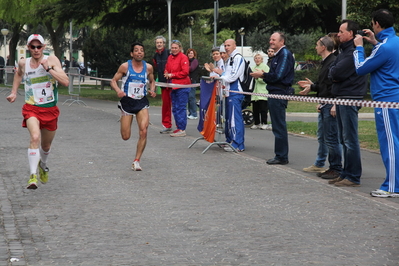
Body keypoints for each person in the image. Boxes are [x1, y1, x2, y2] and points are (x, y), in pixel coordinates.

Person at [6, 34, 69, 189]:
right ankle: (32, 176)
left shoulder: (52, 60)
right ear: (28, 48)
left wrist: (48, 68)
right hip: (31, 108)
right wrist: (14, 92)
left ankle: (43, 165)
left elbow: (65, 82)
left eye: (38, 46)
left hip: (50, 109)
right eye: (32, 47)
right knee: (35, 137)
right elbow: (18, 74)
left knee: (46, 146)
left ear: (43, 47)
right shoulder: (23, 63)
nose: (36, 50)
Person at [353, 9, 399, 197]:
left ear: (377, 24)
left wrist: (358, 47)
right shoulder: (394, 42)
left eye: (372, 24)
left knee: (390, 143)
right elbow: (386, 56)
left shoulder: (384, 47)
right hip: (395, 99)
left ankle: (392, 186)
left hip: (386, 101)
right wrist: (374, 41)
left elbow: (360, 69)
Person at [328, 19, 368, 187]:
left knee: (350, 139)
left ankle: (353, 176)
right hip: (342, 96)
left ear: (351, 33)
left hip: (350, 97)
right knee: (344, 138)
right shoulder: (343, 52)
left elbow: (336, 72)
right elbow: (333, 71)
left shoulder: (353, 52)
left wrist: (334, 73)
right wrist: (334, 72)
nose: (338, 34)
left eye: (341, 31)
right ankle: (346, 173)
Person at [298, 36, 342, 177]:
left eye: (317, 45)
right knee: (323, 136)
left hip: (330, 104)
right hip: (325, 103)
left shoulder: (333, 62)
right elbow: (324, 84)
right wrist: (311, 87)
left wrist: (335, 103)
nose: (315, 47)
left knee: (331, 137)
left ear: (323, 47)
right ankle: (325, 165)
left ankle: (336, 168)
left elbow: (336, 85)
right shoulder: (326, 63)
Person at [110, 42, 156, 171]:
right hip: (127, 103)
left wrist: (152, 90)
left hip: (142, 102)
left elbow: (152, 81)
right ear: (132, 53)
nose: (139, 52)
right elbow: (113, 81)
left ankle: (136, 161)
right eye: (136, 50)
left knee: (144, 130)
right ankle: (124, 118)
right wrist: (118, 90)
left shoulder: (149, 68)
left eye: (141, 50)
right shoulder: (125, 67)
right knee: (126, 136)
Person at [251, 32, 295, 164]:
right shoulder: (277, 55)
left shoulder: (284, 54)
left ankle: (282, 156)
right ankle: (280, 154)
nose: (271, 41)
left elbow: (278, 76)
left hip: (279, 92)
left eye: (274, 40)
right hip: (274, 92)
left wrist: (263, 75)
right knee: (276, 125)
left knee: (279, 125)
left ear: (282, 42)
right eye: (270, 39)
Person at [219, 39, 246, 152]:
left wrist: (220, 77)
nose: (226, 47)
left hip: (236, 92)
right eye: (225, 45)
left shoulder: (238, 58)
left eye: (228, 45)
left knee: (235, 119)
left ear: (235, 46)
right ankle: (231, 140)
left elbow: (233, 77)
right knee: (230, 119)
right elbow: (227, 75)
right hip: (229, 92)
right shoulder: (230, 59)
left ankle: (238, 144)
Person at [164, 40, 191, 137]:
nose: (174, 50)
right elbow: (167, 67)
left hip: (182, 86)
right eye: (172, 48)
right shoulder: (170, 57)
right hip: (172, 86)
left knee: (180, 107)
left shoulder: (184, 57)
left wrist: (172, 75)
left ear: (180, 48)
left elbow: (185, 72)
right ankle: (178, 127)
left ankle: (182, 129)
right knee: (175, 108)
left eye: (176, 48)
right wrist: (166, 72)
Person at [153, 36, 172, 134]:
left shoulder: (169, 53)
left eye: (161, 42)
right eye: (157, 43)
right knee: (165, 105)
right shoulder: (155, 55)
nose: (159, 44)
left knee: (176, 106)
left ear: (164, 44)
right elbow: (156, 67)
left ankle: (181, 127)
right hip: (163, 83)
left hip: (172, 83)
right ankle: (167, 125)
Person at [250, 54, 270, 130]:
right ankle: (257, 123)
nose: (257, 59)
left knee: (263, 109)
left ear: (262, 59)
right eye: (256, 58)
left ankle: (264, 123)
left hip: (263, 91)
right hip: (255, 92)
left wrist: (259, 77)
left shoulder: (265, 67)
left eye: (259, 58)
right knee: (255, 109)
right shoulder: (252, 68)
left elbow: (267, 79)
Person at [186, 48, 199, 119]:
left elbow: (191, 69)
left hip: (192, 81)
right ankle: (190, 112)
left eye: (191, 53)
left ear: (194, 55)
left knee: (191, 97)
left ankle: (194, 114)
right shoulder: (187, 61)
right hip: (187, 81)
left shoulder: (195, 61)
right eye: (189, 53)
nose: (190, 54)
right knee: (188, 98)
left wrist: (184, 67)